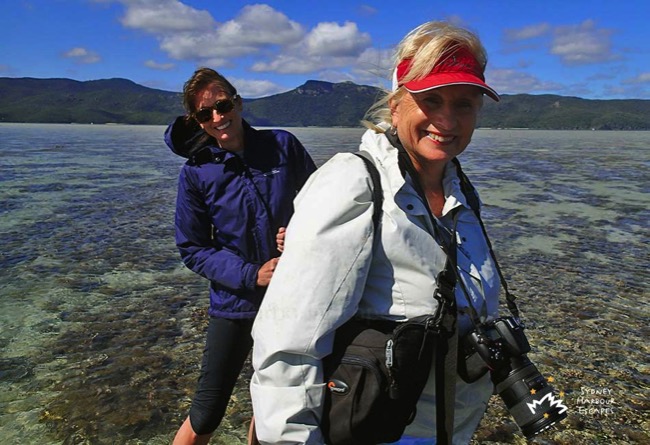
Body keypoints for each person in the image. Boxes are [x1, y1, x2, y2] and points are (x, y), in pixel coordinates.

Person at [250, 21, 502, 444]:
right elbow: (288, 343)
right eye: (430, 99)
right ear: (397, 104)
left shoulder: (460, 190)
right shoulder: (353, 183)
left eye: (464, 104)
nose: (447, 119)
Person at [165, 67, 317, 445]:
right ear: (196, 121)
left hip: (292, 296)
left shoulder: (284, 145)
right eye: (205, 114)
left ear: (238, 102)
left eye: (223, 105)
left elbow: (320, 204)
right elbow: (193, 248)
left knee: (274, 401)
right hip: (236, 300)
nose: (218, 117)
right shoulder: (197, 173)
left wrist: (297, 230)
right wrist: (251, 275)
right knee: (208, 408)